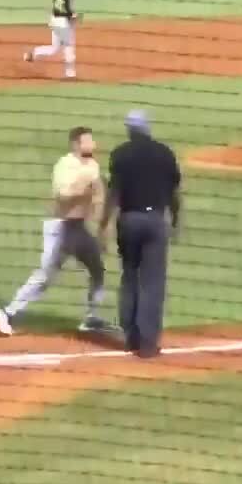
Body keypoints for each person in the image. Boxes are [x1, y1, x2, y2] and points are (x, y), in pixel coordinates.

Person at [0, 126, 115, 336]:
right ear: (76, 144)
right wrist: (88, 189)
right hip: (60, 227)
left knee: (98, 269)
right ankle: (7, 313)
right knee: (45, 277)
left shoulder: (94, 165)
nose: (93, 144)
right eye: (88, 141)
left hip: (79, 228)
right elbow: (63, 196)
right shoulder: (65, 164)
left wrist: (101, 226)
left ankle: (91, 317)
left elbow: (97, 199)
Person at [99, 110, 181, 358]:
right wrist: (176, 220)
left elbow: (114, 194)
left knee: (130, 277)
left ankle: (131, 338)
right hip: (155, 221)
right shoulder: (164, 153)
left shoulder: (120, 154)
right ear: (147, 128)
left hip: (129, 221)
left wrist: (103, 226)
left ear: (130, 130)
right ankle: (147, 343)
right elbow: (174, 193)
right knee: (152, 283)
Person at [23, 0, 78, 79]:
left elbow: (58, 6)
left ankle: (32, 54)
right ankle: (70, 74)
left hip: (54, 20)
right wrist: (71, 15)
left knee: (54, 48)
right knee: (69, 46)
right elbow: (61, 7)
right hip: (61, 21)